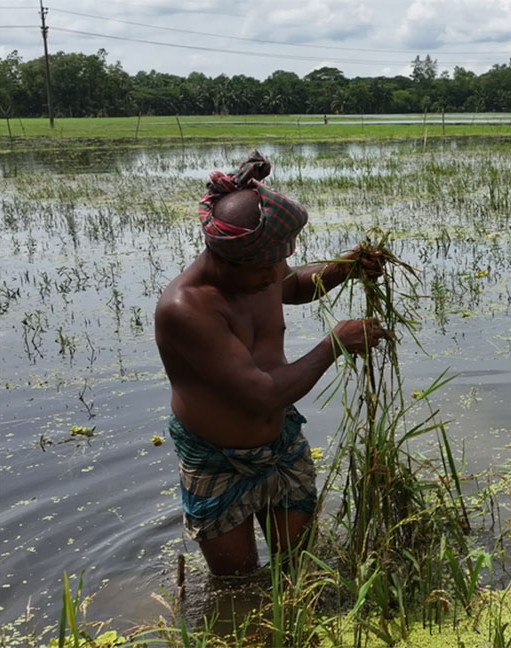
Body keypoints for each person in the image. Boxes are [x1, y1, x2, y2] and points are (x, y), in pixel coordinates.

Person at [155, 151, 387, 575]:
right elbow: (261, 394)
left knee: (299, 569)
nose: (272, 277)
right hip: (216, 458)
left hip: (281, 445)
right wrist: (335, 343)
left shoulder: (258, 266)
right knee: (236, 585)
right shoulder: (187, 309)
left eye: (276, 263)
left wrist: (345, 267)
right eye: (264, 269)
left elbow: (295, 285)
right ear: (223, 259)